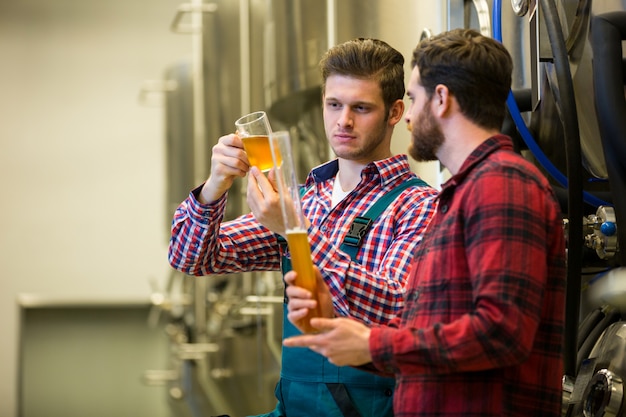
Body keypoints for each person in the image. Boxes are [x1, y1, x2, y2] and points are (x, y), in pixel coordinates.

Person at [283, 28, 567, 417]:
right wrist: (352, 337)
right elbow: (430, 341)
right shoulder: (461, 196)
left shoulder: (503, 183)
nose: (409, 116)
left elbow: (501, 334)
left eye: (413, 100)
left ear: (441, 99)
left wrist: (372, 345)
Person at [168, 37, 438, 417]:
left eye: (360, 108)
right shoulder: (304, 198)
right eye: (334, 105)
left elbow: (394, 309)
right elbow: (191, 258)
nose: (343, 121)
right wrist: (215, 187)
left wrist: (295, 231)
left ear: (395, 112)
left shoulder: (419, 204)